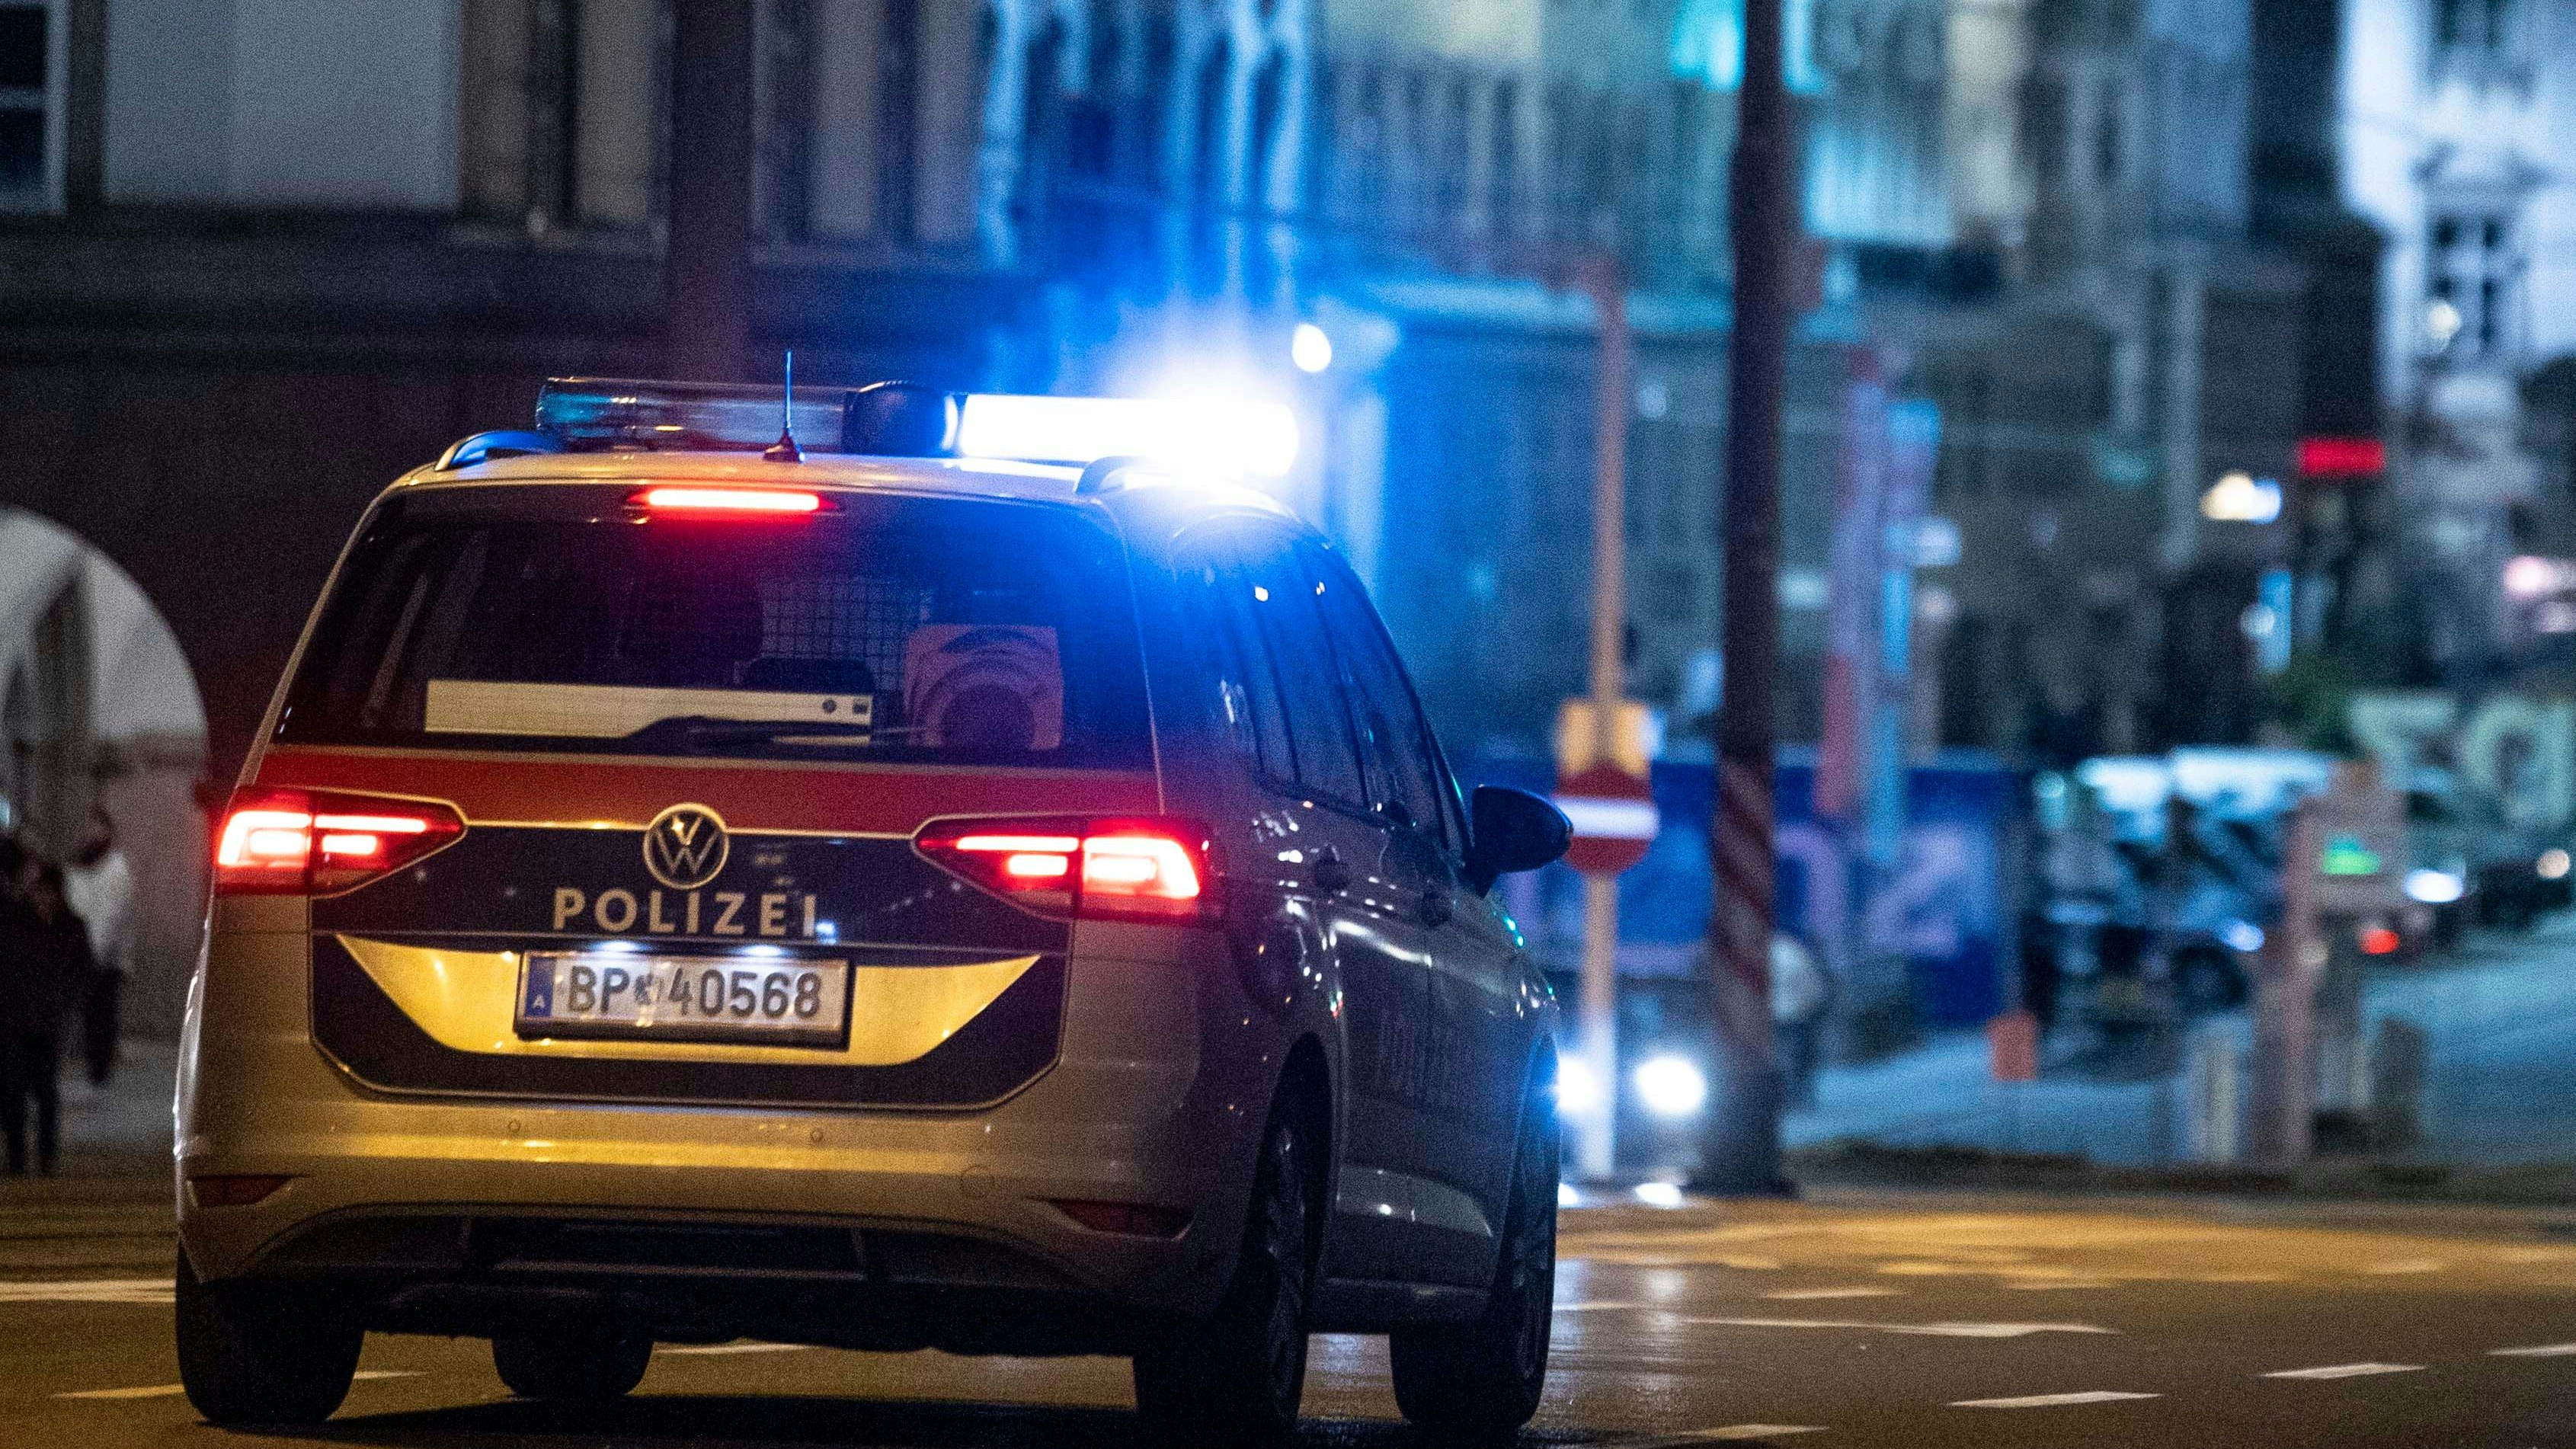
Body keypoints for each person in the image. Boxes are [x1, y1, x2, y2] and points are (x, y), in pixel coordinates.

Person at [0, 853, 94, 1176]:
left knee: (45, 1091)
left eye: (48, 891)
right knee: (14, 1091)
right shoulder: (14, 923)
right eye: (37, 891)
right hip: (14, 1021)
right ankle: (16, 1159)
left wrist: (67, 1004)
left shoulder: (71, 927)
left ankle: (46, 1157)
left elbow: (83, 971)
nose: (42, 897)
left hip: (48, 1022)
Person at [64, 811, 134, 1091]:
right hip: (81, 953)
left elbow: (110, 916)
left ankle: (100, 1069)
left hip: (106, 960)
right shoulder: (78, 866)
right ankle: (94, 1065)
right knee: (89, 1013)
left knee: (101, 1013)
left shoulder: (116, 870)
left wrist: (95, 953)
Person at [1769, 932, 1833, 1112]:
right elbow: (1812, 984)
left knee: (1785, 1059)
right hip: (1796, 1015)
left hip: (1778, 1018)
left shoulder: (1767, 952)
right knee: (1799, 1058)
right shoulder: (1792, 950)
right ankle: (1800, 1097)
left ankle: (1789, 1098)